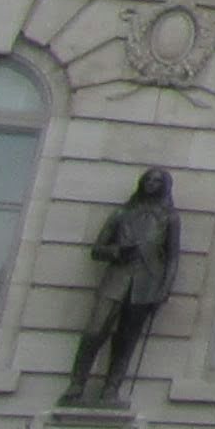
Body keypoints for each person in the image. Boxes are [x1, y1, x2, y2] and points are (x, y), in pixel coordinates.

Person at [63, 169, 182, 406]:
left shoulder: (170, 218)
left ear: (164, 186)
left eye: (157, 181)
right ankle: (76, 384)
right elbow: (97, 249)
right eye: (148, 180)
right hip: (116, 279)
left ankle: (111, 389)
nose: (151, 184)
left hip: (146, 285)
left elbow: (172, 257)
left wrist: (164, 290)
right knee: (94, 331)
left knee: (126, 339)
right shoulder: (122, 213)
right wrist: (117, 251)